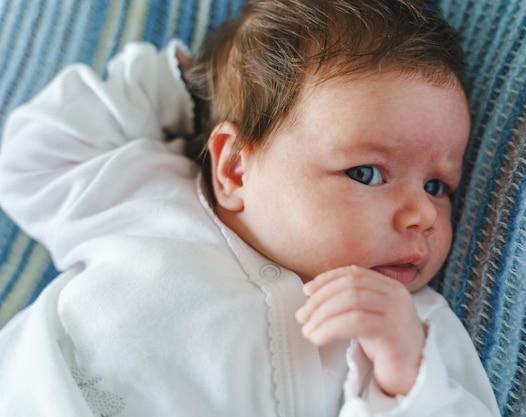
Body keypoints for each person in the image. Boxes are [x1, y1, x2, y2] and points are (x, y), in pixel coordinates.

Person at [0, 0, 500, 416]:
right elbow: (32, 156)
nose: (423, 214)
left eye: (438, 185)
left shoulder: (406, 326)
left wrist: (405, 373)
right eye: (367, 173)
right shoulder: (147, 193)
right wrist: (179, 85)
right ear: (236, 169)